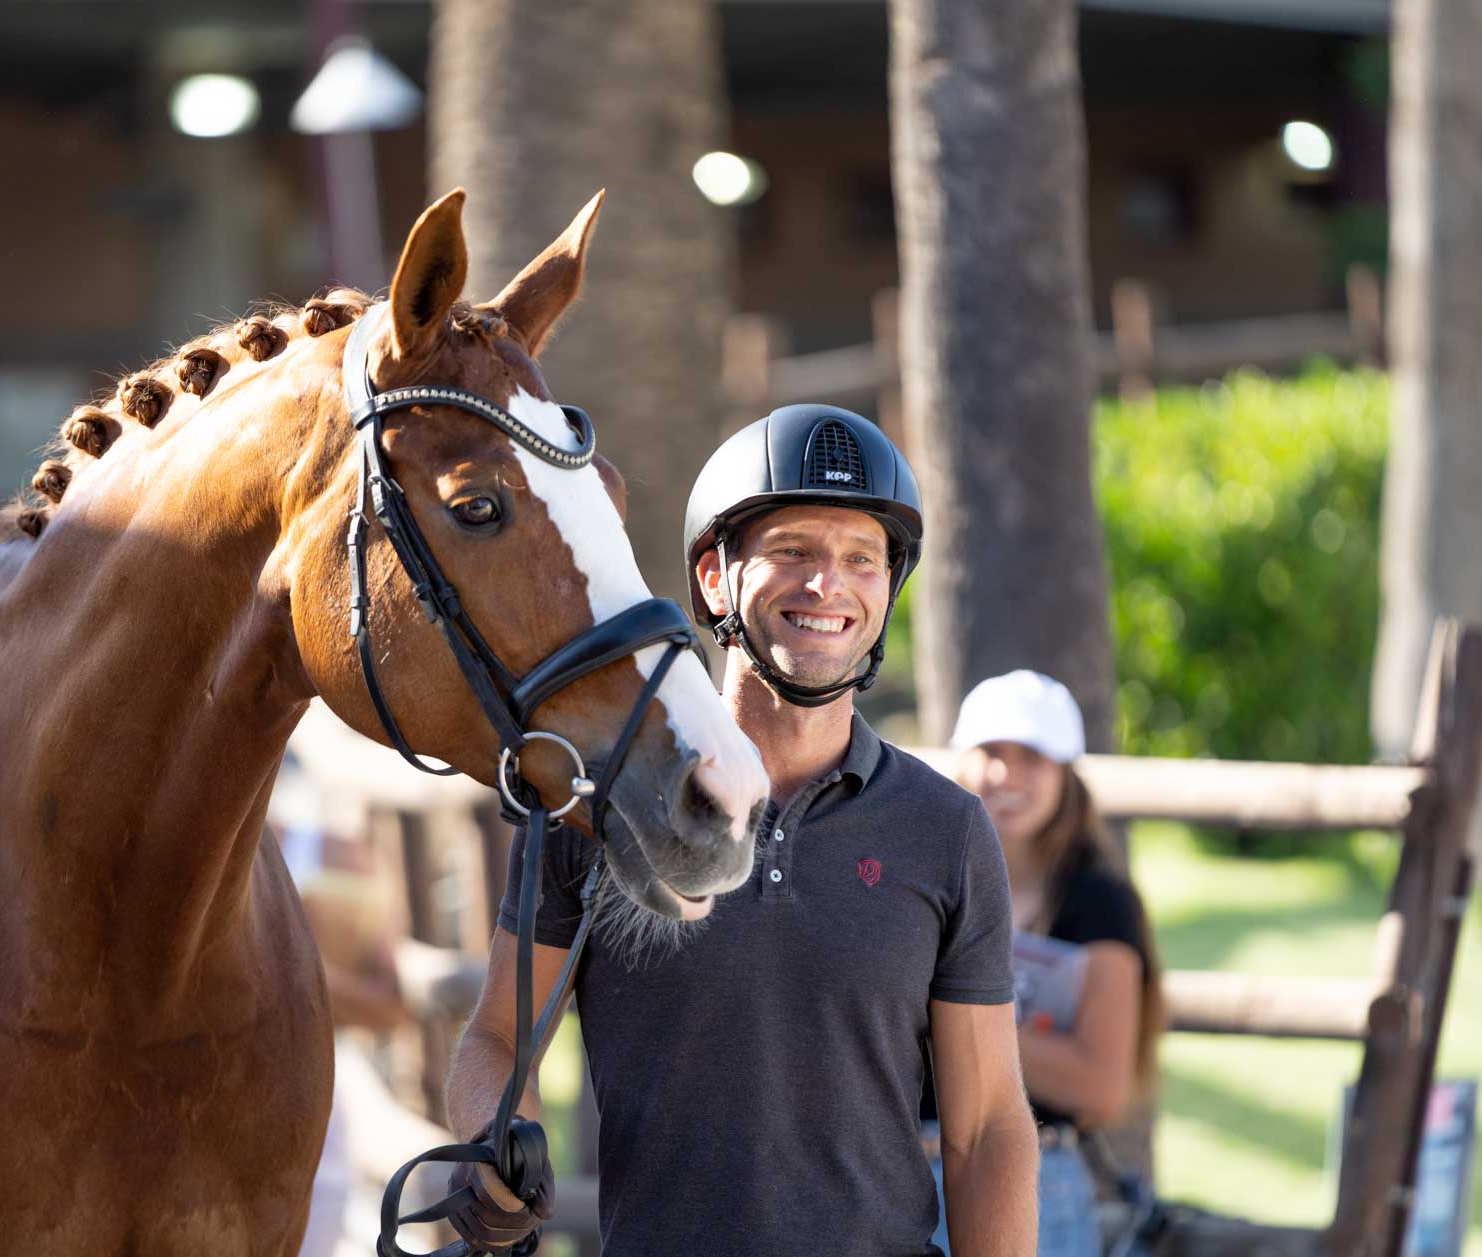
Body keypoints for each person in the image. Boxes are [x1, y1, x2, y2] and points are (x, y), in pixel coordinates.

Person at [441, 404, 1039, 1256]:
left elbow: (985, 1128)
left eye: (861, 559)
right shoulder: (596, 809)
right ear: (715, 578)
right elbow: (497, 1039)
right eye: (792, 550)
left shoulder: (945, 830)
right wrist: (497, 1143)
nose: (827, 585)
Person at [933, 670, 1166, 1257]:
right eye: (990, 753)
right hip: (896, 1176)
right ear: (960, 760)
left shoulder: (1099, 901)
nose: (1007, 776)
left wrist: (948, 1018)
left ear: (1066, 774)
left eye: (1032, 758)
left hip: (1039, 1184)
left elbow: (1100, 1086)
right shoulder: (923, 878)